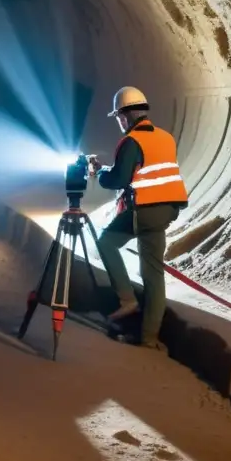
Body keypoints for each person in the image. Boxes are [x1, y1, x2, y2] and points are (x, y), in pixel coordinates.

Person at [89, 87, 187, 351]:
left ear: (127, 115)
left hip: (143, 210)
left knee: (106, 243)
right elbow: (143, 172)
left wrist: (99, 175)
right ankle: (148, 337)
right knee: (153, 275)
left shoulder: (131, 141)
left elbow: (120, 180)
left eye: (119, 116)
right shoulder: (165, 137)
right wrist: (108, 169)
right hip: (167, 210)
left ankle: (126, 300)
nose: (119, 122)